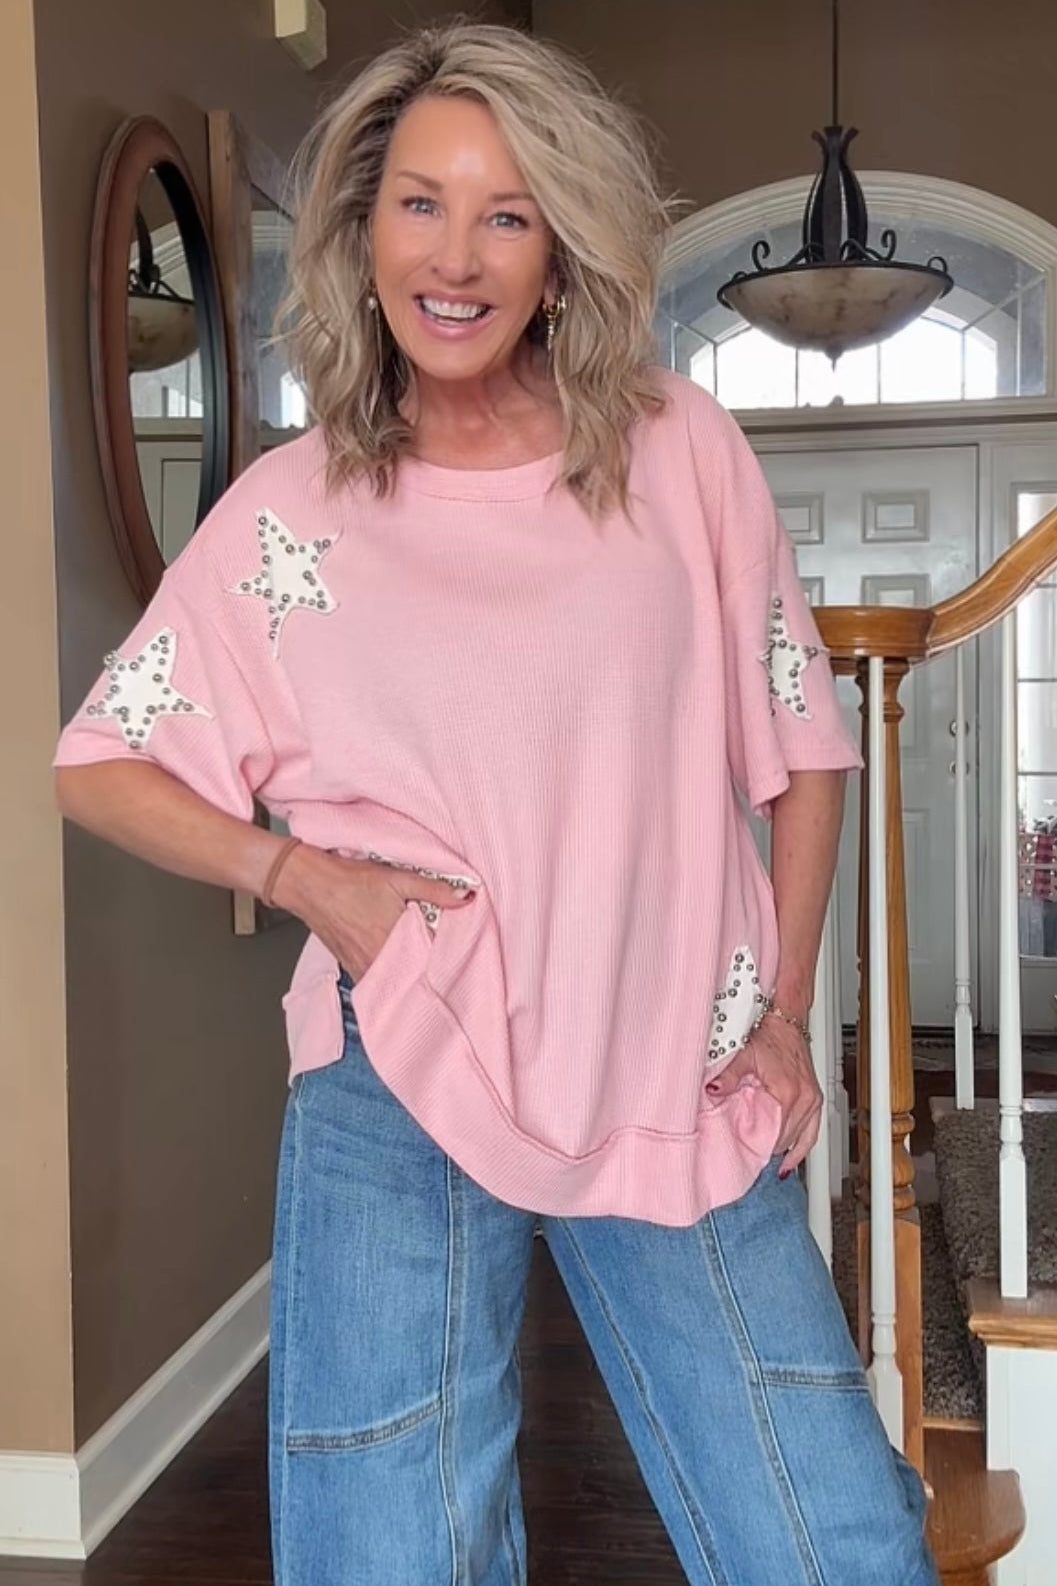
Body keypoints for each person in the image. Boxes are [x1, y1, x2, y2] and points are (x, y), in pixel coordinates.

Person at [54, 21, 940, 1586]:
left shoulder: (676, 454)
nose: (454, 257)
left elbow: (803, 743)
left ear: (558, 252)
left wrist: (787, 1006)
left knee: (832, 1542)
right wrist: (306, 878)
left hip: (671, 1051)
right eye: (419, 203)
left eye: (505, 214)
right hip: (399, 1053)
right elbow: (100, 759)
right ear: (362, 231)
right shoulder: (290, 511)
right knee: (386, 1555)